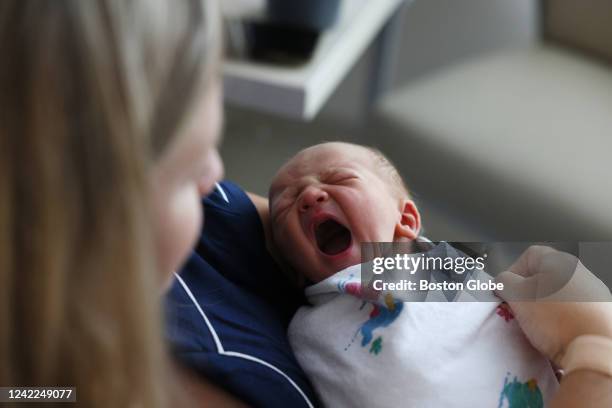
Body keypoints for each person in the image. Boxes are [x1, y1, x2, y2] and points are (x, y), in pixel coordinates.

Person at [1, 1, 610, 407]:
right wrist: (596, 352)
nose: (220, 174)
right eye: (188, 167)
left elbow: (494, 277)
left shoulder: (228, 223)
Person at [268, 142, 559, 407]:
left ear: (405, 220)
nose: (308, 195)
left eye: (340, 179)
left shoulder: (449, 270)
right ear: (293, 268)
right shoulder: (302, 329)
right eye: (286, 206)